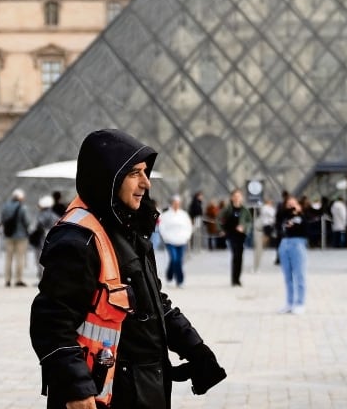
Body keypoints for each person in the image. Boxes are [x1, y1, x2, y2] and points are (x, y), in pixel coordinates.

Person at [30, 129, 227, 408]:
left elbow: (155, 303)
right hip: (101, 395)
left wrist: (195, 349)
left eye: (145, 172)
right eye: (135, 173)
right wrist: (74, 386)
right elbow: (50, 323)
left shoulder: (127, 231)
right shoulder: (78, 239)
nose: (146, 183)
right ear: (108, 176)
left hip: (140, 387)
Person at [277, 195, 308, 314]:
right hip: (285, 243)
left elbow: (306, 227)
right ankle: (289, 303)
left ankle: (300, 302)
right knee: (287, 276)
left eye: (293, 203)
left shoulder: (302, 217)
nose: (291, 206)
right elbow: (279, 223)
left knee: (299, 275)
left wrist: (299, 213)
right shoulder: (284, 216)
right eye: (288, 204)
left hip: (297, 243)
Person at [0, 188, 33, 286]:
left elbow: (2, 220)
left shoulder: (5, 207)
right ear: (20, 197)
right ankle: (18, 279)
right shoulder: (23, 208)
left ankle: (7, 279)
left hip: (8, 236)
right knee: (20, 258)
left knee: (8, 258)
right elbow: (27, 222)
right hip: (21, 236)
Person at [158, 195, 193, 287]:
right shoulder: (166, 215)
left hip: (181, 240)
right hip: (170, 241)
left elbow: (188, 226)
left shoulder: (183, 214)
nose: (176, 205)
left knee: (179, 260)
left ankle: (180, 280)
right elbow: (162, 227)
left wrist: (187, 237)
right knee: (174, 259)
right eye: (175, 203)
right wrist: (165, 237)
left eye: (178, 203)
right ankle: (170, 277)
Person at [219, 189, 252, 286]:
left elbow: (249, 221)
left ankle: (238, 279)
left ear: (241, 198)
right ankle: (234, 279)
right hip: (231, 235)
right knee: (235, 255)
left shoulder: (244, 210)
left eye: (239, 196)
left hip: (241, 236)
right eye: (235, 196)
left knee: (240, 257)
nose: (237, 198)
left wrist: (244, 227)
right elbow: (218, 219)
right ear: (232, 198)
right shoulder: (228, 209)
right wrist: (221, 230)